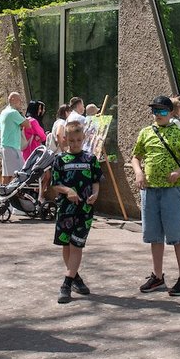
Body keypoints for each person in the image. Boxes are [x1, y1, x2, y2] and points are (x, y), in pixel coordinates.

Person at [131, 95, 180, 296]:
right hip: (150, 190)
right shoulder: (146, 132)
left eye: (162, 111)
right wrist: (138, 172)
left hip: (171, 190)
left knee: (177, 235)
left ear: (171, 112)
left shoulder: (178, 133)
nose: (158, 114)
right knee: (154, 235)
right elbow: (136, 156)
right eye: (155, 111)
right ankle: (157, 276)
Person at [50, 120, 102, 303]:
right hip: (65, 210)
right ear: (65, 139)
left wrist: (95, 194)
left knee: (77, 245)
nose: (75, 144)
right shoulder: (60, 160)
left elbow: (96, 180)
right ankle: (75, 278)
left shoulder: (90, 159)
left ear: (84, 138)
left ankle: (66, 284)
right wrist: (68, 191)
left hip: (85, 210)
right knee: (67, 245)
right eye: (71, 140)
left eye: (79, 140)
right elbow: (55, 184)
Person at [0, 93, 29, 185]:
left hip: (6, 145)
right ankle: (11, 192)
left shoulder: (4, 112)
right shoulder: (13, 112)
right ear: (12, 99)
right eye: (19, 99)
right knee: (17, 173)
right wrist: (21, 114)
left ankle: (3, 191)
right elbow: (27, 124)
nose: (21, 102)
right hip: (12, 147)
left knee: (7, 174)